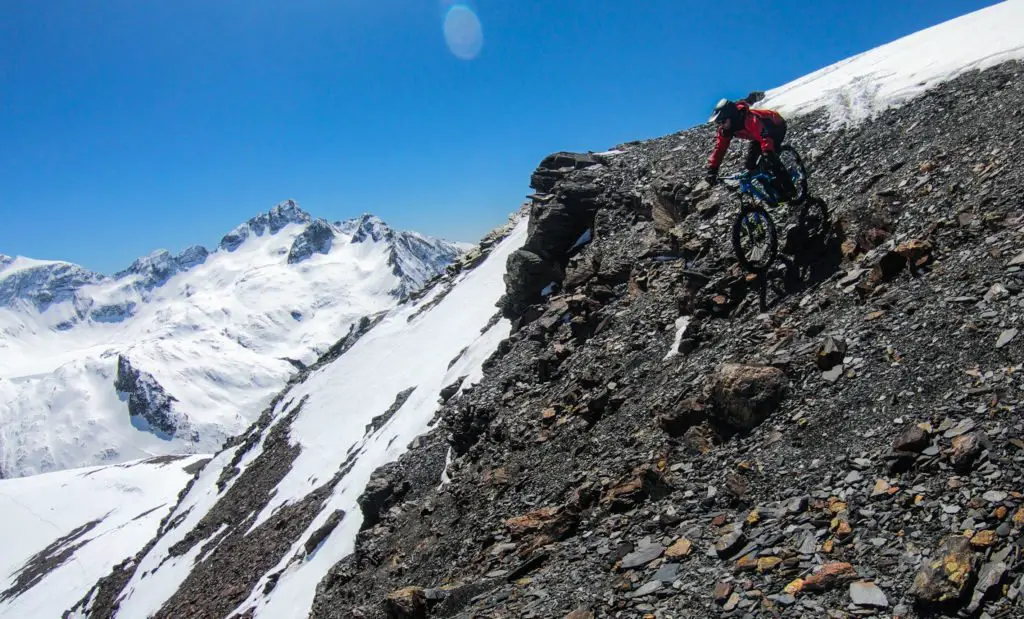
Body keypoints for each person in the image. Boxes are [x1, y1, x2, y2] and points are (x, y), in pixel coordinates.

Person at [705, 98, 796, 200]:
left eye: (723, 121)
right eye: (718, 122)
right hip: (758, 136)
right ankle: (776, 191)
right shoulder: (725, 130)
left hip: (775, 127)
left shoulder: (750, 119)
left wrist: (767, 152)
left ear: (732, 116)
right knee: (751, 166)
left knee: (770, 160)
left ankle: (789, 188)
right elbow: (720, 149)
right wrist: (713, 169)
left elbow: (765, 137)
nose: (721, 125)